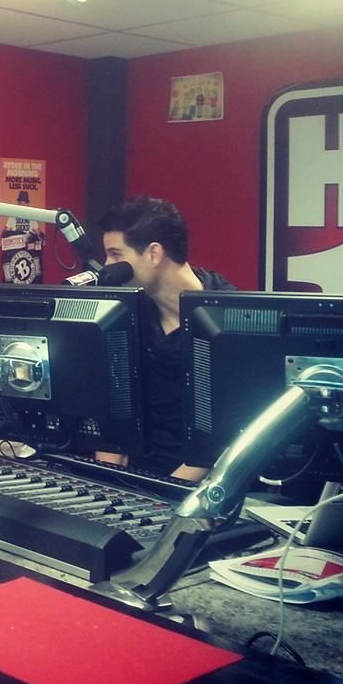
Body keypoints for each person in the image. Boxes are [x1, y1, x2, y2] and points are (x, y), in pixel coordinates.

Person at [97, 197, 234, 480]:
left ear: (153, 254)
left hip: (194, 484)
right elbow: (116, 419)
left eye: (115, 254)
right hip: (135, 478)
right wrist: (107, 483)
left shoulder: (228, 321)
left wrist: (164, 495)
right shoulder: (124, 315)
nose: (107, 266)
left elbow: (222, 442)